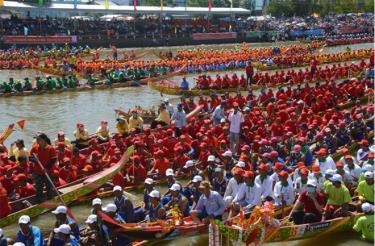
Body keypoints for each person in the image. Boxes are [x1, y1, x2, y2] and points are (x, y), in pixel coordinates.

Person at [29, 133, 57, 203]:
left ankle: (51, 201)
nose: (37, 141)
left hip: (48, 172)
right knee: (38, 188)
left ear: (44, 140)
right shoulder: (35, 148)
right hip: (37, 172)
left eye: (39, 139)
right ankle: (39, 203)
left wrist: (47, 168)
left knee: (49, 188)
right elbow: (30, 158)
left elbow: (53, 160)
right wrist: (34, 160)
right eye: (37, 139)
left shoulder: (50, 148)